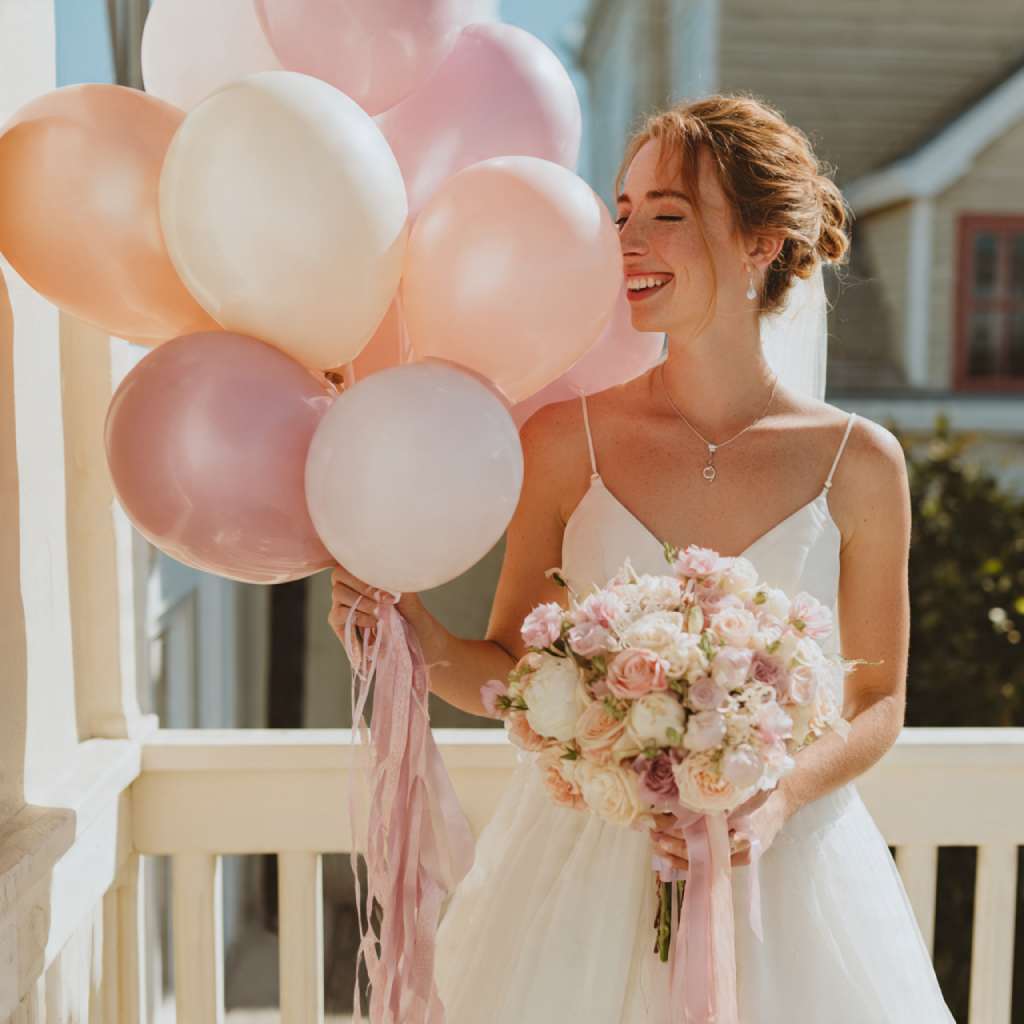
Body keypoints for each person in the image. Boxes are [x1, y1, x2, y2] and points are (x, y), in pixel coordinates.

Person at [329, 96, 953, 1023]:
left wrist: (779, 798)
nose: (627, 242)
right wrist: (413, 634)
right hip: (580, 866)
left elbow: (878, 703)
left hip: (780, 878)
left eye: (667, 215)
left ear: (762, 241)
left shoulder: (860, 465)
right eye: (621, 213)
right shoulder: (561, 440)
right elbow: (507, 674)